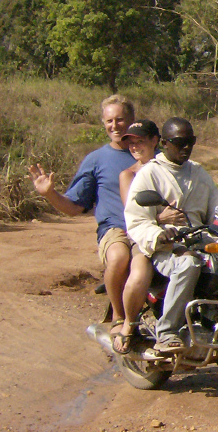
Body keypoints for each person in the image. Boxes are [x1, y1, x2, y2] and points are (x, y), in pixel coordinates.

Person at [29, 94, 138, 331]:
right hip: (115, 230)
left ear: (132, 120)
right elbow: (74, 207)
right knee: (119, 257)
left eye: (120, 120)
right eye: (109, 121)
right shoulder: (96, 160)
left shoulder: (151, 155)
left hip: (148, 229)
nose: (115, 126)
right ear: (103, 123)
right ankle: (119, 319)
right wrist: (50, 194)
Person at [124, 118, 218, 354]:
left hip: (200, 242)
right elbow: (136, 220)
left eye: (191, 142)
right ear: (165, 143)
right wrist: (159, 234)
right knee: (188, 264)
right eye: (180, 143)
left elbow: (217, 211)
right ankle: (167, 332)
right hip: (166, 248)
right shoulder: (149, 174)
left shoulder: (199, 173)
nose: (186, 147)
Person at [114, 120, 163, 352]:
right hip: (142, 235)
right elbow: (132, 214)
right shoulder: (128, 175)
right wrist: (162, 219)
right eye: (131, 143)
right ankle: (128, 324)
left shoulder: (170, 168)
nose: (134, 147)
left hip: (177, 234)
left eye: (140, 141)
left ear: (155, 141)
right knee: (141, 270)